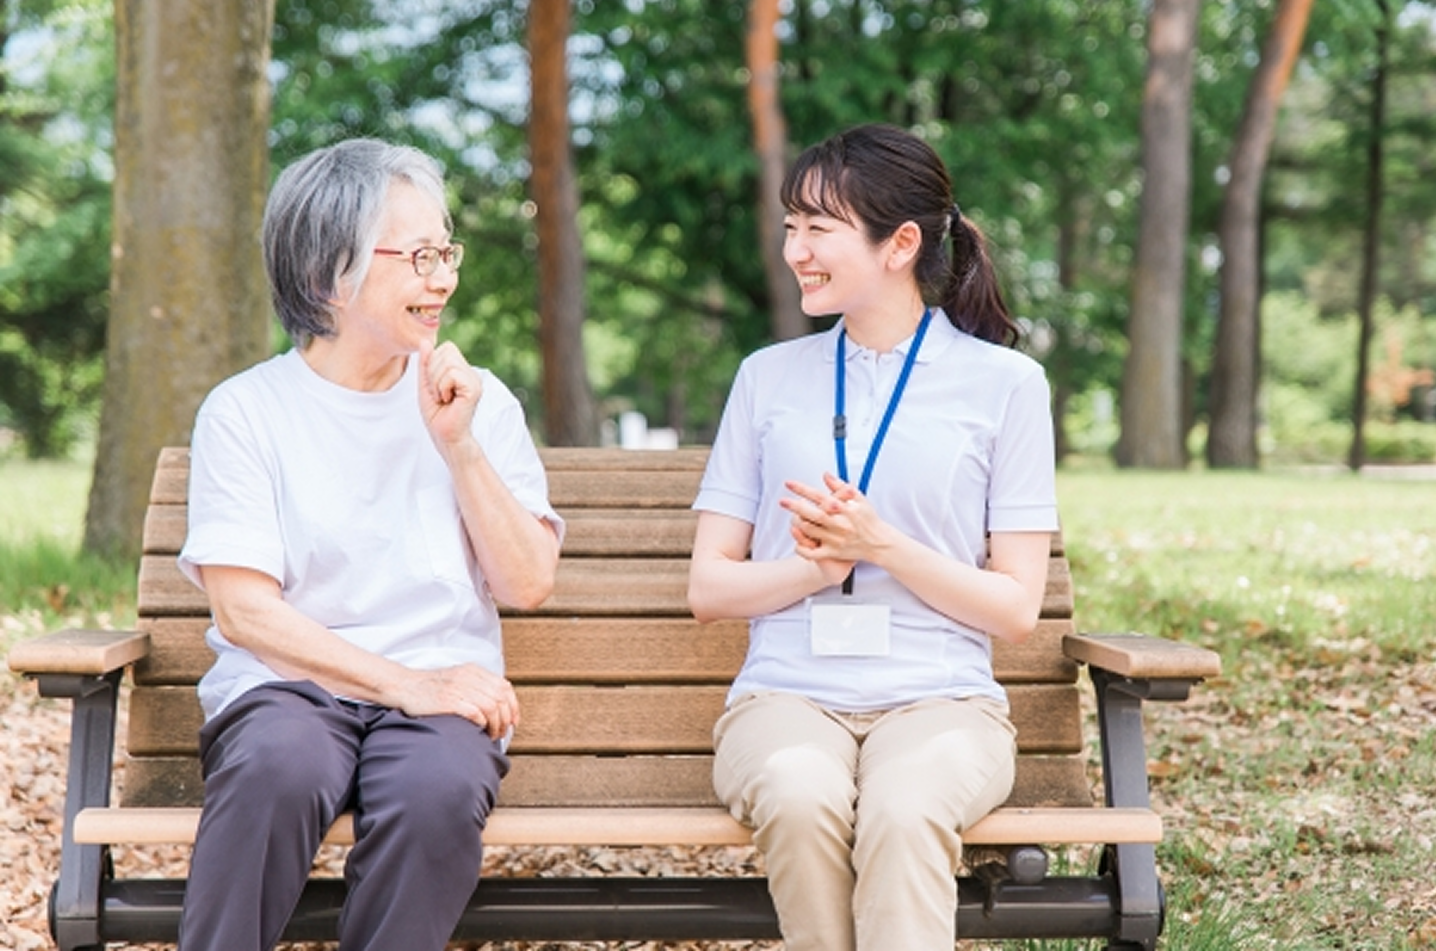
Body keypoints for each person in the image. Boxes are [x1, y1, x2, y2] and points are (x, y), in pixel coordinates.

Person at [175, 138, 563, 951]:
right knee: (276, 769)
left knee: (437, 790)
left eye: (446, 250)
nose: (445, 277)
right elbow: (246, 614)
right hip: (288, 688)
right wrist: (407, 684)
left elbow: (527, 582)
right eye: (419, 256)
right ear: (328, 275)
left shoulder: (477, 405)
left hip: (442, 700)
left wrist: (459, 446)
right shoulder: (246, 412)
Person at [687, 123, 1058, 951]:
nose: (795, 250)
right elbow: (709, 589)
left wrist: (882, 546)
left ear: (900, 244)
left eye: (819, 228)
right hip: (785, 694)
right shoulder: (767, 377)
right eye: (791, 226)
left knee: (903, 805)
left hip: (943, 698)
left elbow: (1016, 608)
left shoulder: (1006, 386)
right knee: (796, 790)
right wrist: (815, 571)